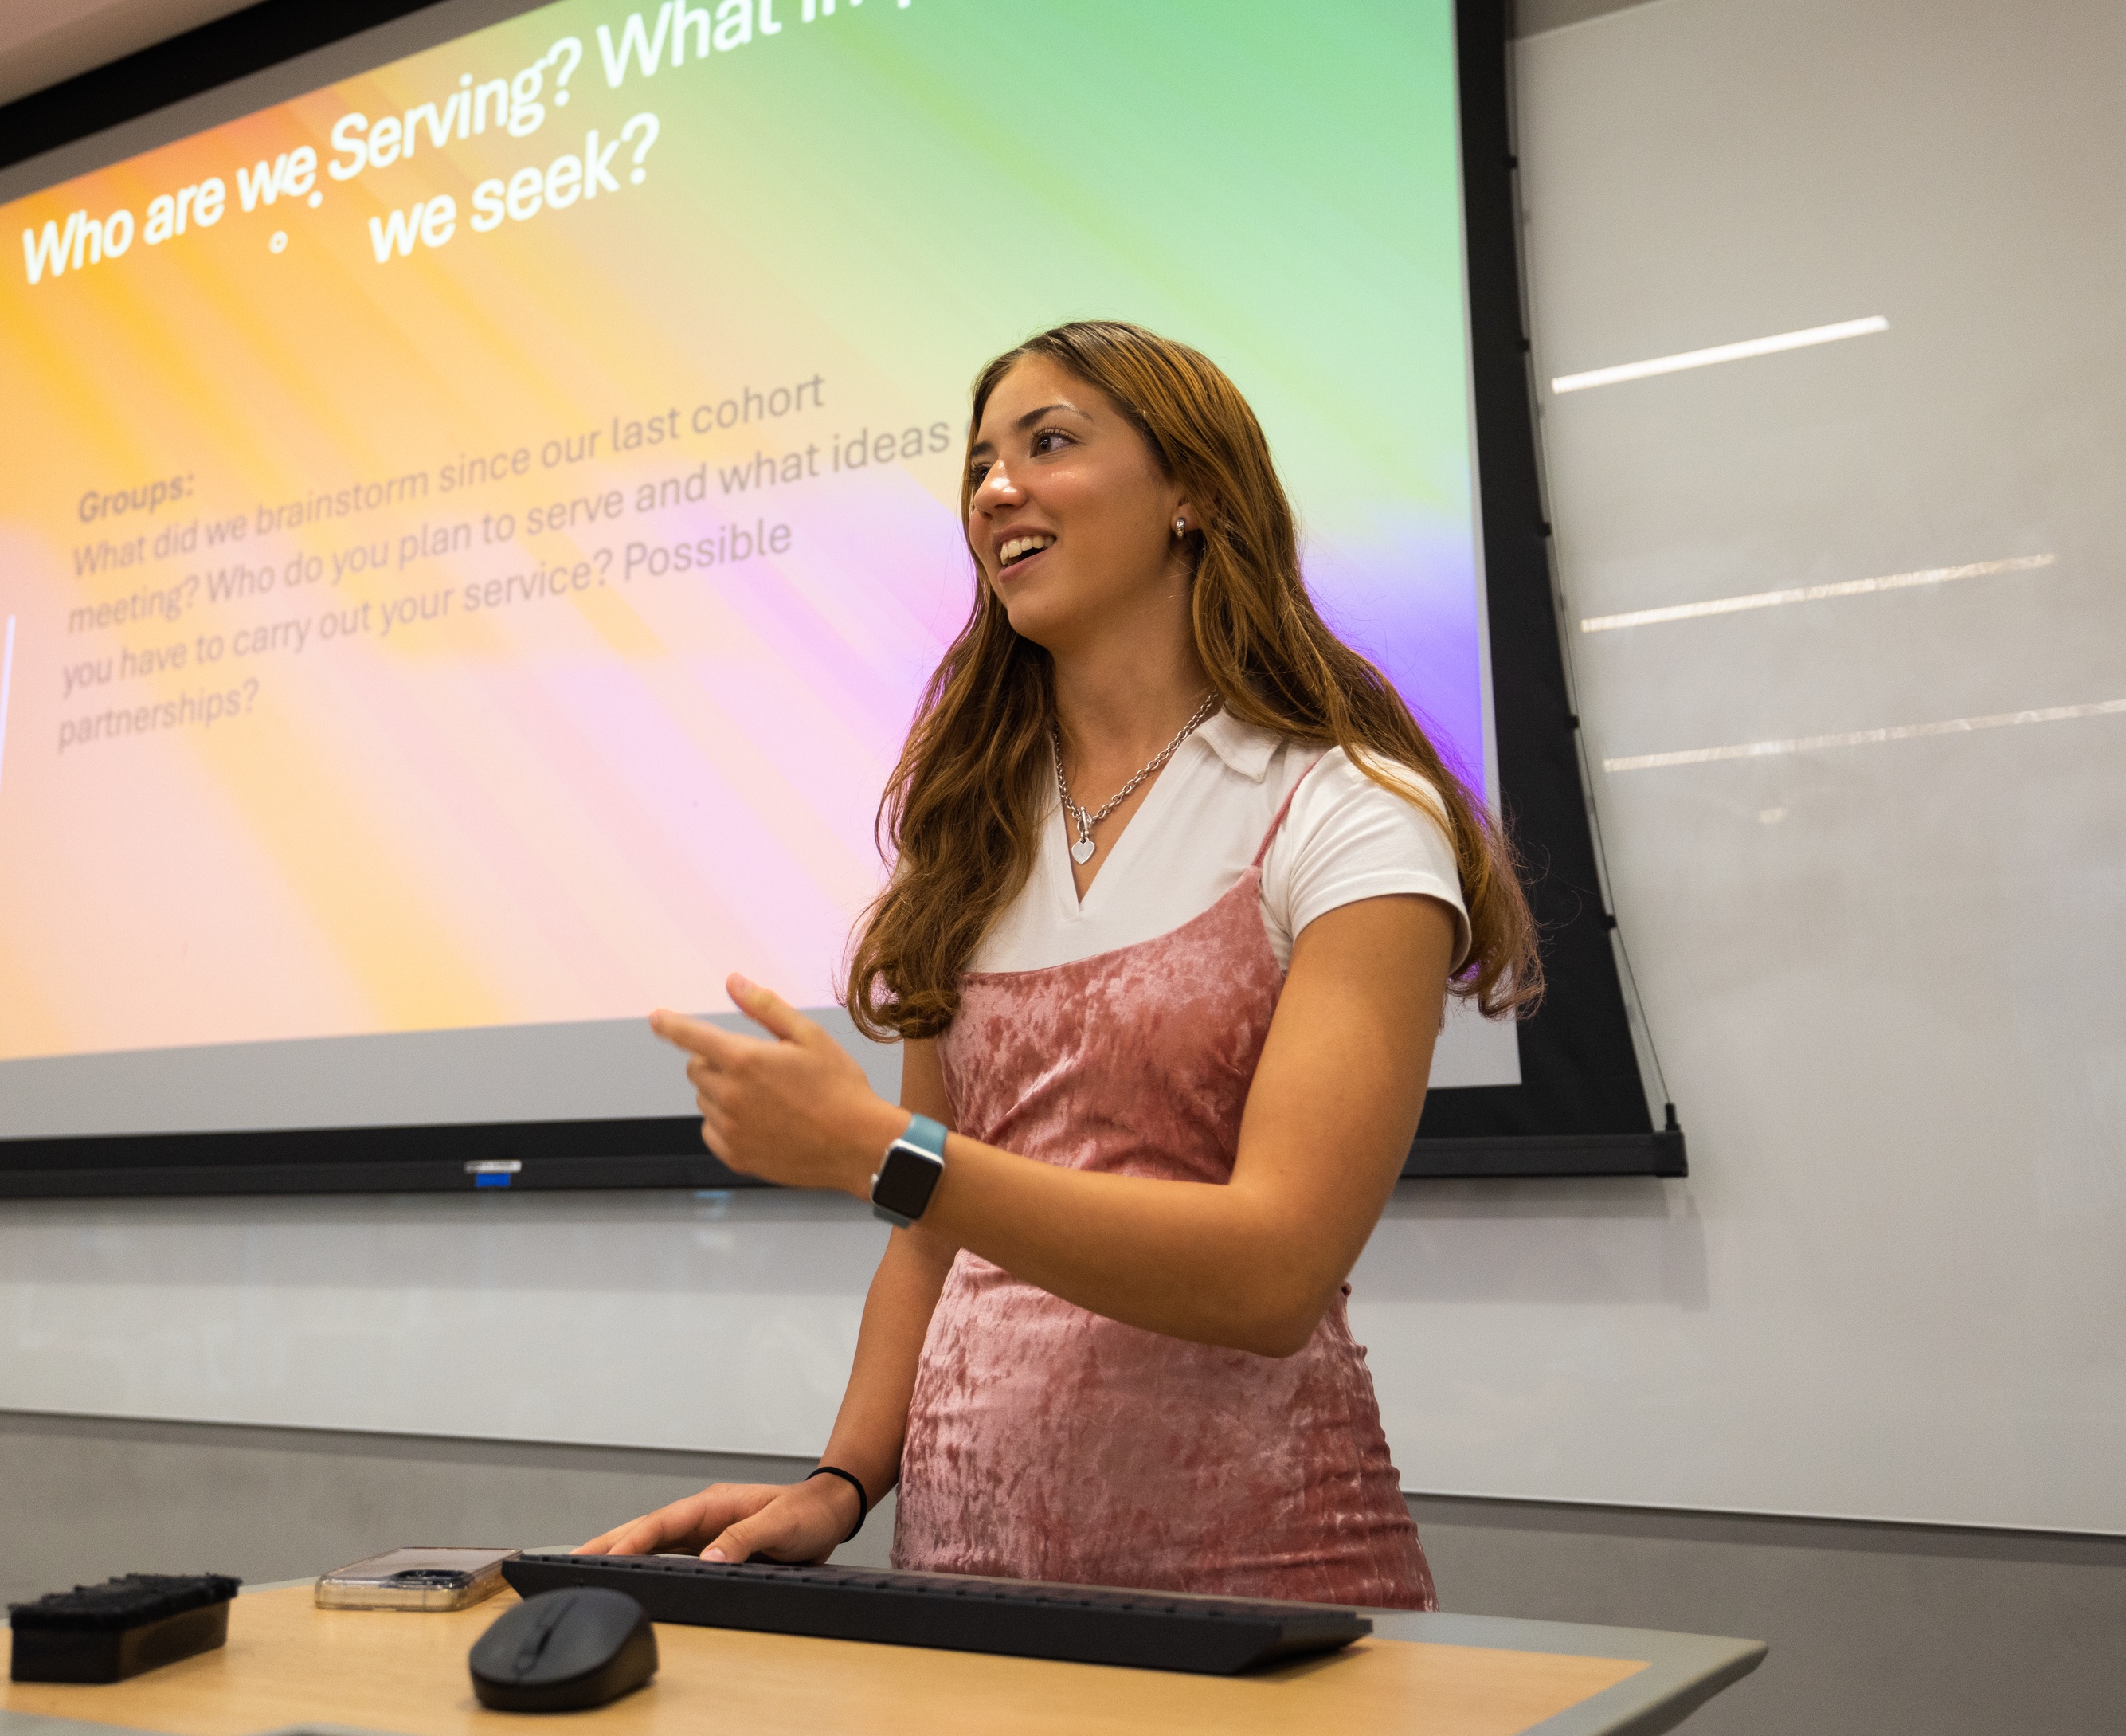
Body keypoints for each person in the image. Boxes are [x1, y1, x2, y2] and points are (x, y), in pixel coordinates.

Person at [581, 320, 1537, 1606]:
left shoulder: (1347, 810)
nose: (994, 490)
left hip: (1264, 1594)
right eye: (979, 462)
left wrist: (880, 1152)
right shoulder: (970, 834)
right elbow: (927, 1240)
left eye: (1049, 443)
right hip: (965, 1584)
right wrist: (841, 1483)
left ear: (1191, 492)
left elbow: (1272, 1270)